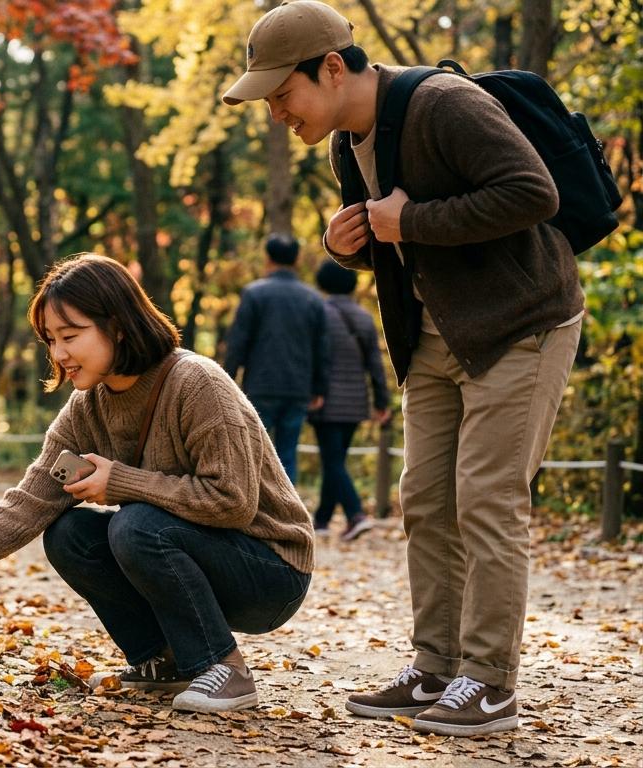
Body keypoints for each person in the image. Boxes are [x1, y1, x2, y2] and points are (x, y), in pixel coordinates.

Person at [223, 0, 582, 737]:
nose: (277, 113)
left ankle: (488, 682)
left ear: (331, 67)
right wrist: (350, 242)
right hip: (433, 336)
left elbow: (532, 193)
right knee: (424, 501)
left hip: (522, 324)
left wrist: (405, 221)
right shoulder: (344, 142)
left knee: (486, 498)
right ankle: (436, 666)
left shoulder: (445, 104)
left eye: (282, 94)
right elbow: (392, 236)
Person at [0, 254, 313, 714]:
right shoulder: (87, 408)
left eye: (70, 335)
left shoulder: (196, 383)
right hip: (204, 556)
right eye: (50, 340)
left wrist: (123, 483)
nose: (59, 353)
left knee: (136, 526)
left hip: (270, 569)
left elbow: (233, 502)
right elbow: (28, 502)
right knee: (70, 534)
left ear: (119, 326)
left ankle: (224, 668)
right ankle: (163, 660)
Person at [223, 233, 329, 483]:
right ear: (296, 260)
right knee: (287, 453)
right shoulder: (313, 298)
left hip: (261, 385)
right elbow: (322, 348)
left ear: (268, 259)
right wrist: (319, 387)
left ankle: (254, 511)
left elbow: (239, 341)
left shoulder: (254, 294)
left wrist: (227, 379)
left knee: (253, 453)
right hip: (298, 387)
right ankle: (287, 514)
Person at [310, 261, 389, 541]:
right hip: (356, 402)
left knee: (332, 461)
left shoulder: (320, 313)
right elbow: (375, 364)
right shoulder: (364, 317)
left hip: (326, 401)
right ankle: (322, 519)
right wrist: (382, 401)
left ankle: (356, 514)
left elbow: (315, 358)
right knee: (336, 460)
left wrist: (311, 391)